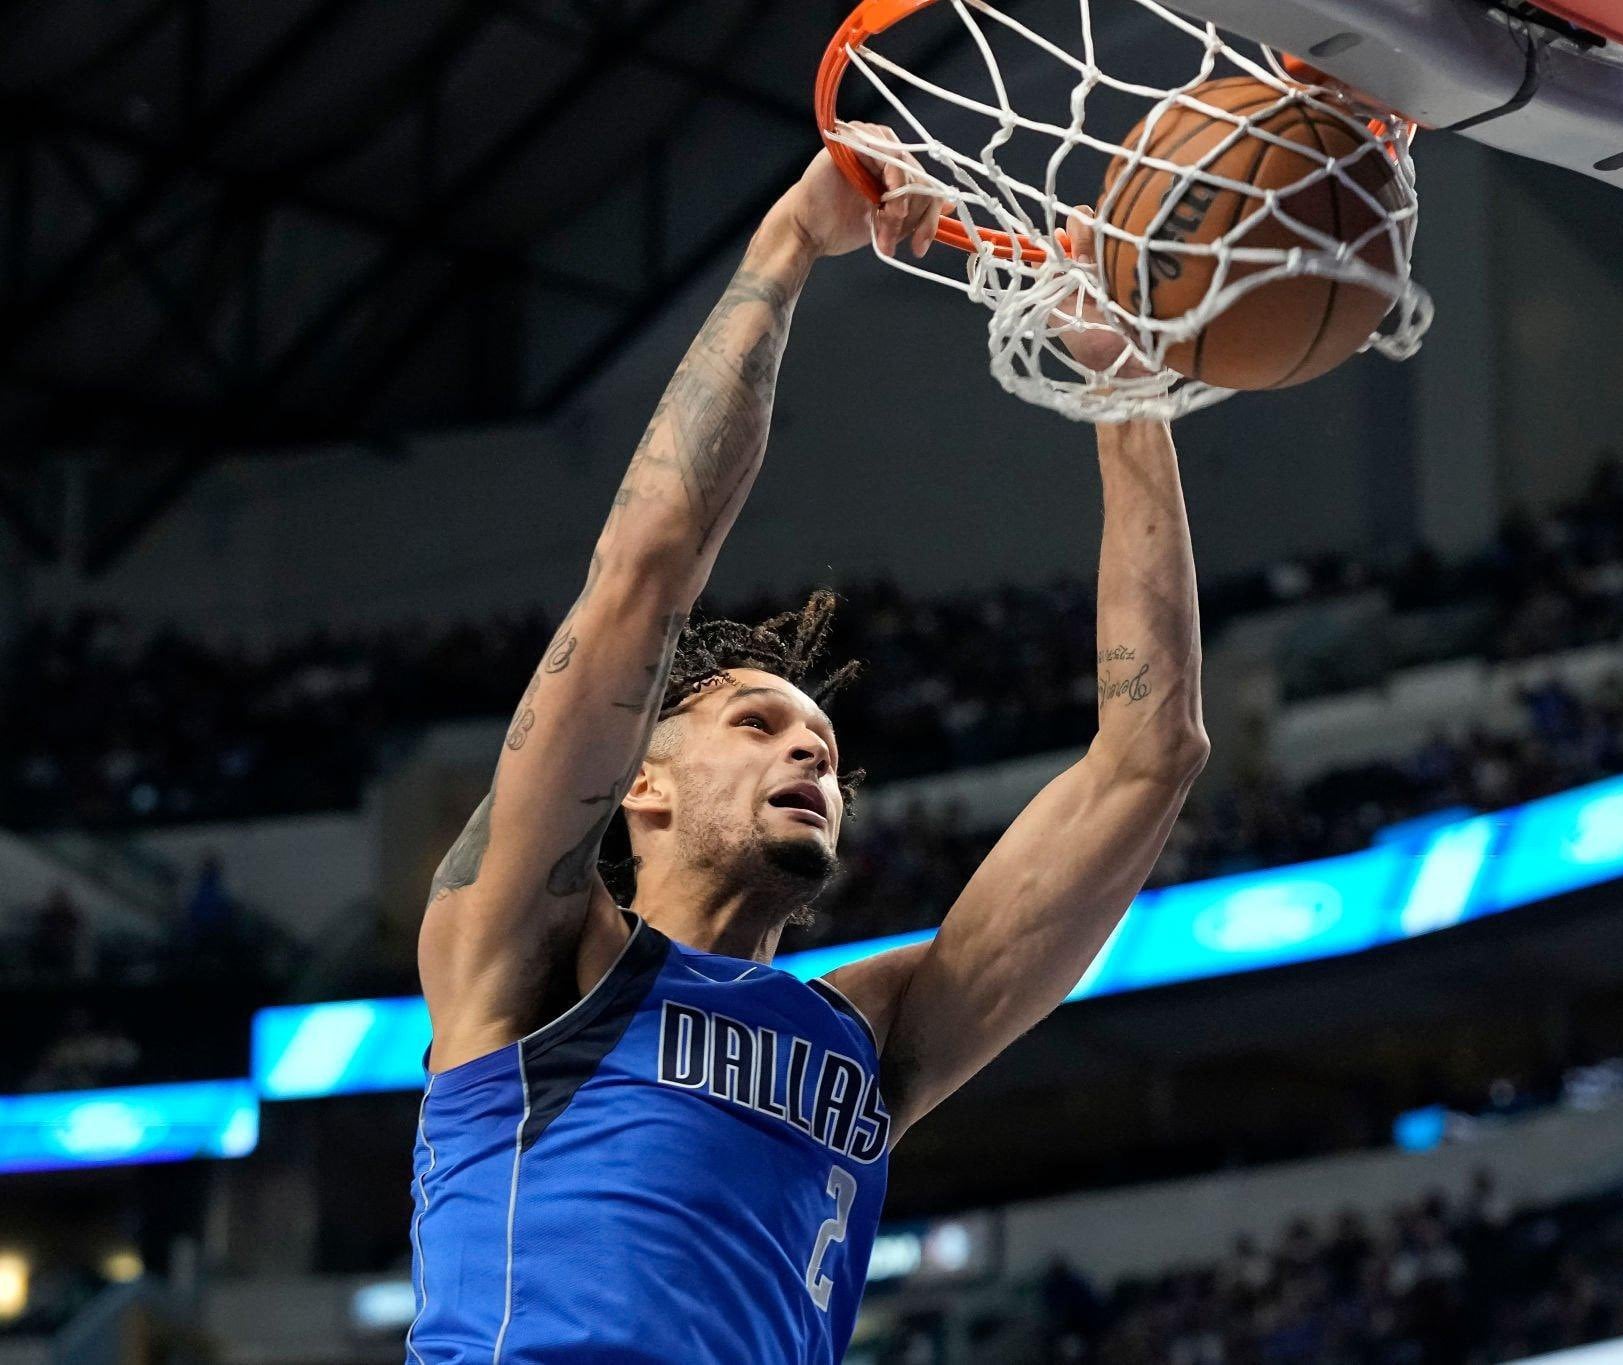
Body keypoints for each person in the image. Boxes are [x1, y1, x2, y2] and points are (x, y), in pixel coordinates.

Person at [406, 125, 1209, 1362]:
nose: (812, 755)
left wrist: (1122, 393)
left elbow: (1150, 757)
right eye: (758, 722)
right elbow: (643, 572)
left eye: (824, 745)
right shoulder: (534, 953)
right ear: (642, 784)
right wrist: (788, 245)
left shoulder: (868, 1036)